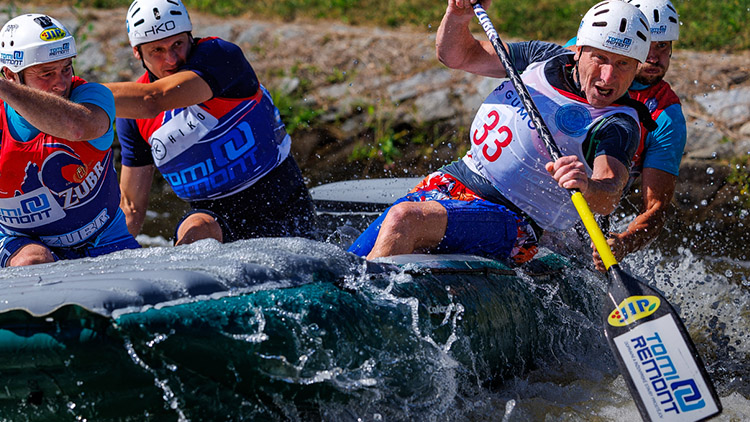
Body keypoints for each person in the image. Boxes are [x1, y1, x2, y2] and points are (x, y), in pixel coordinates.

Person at [348, 0, 657, 264]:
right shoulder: (542, 57)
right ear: (579, 50)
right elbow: (457, 56)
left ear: (636, 68)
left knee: (405, 220)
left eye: (623, 64)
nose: (608, 76)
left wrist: (587, 186)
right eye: (600, 59)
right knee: (349, 262)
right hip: (454, 179)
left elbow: (609, 192)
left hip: (515, 222)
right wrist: (457, 15)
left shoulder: (617, 123)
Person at [105, 0, 317, 245]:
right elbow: (131, 209)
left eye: (177, 44)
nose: (172, 59)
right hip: (214, 217)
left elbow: (155, 99)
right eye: (157, 51)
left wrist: (76, 94)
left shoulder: (220, 56)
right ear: (137, 53)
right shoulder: (133, 118)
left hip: (282, 202)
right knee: (193, 230)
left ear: (190, 37)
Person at [0, 14, 140, 267]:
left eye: (66, 68)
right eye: (46, 73)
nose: (61, 83)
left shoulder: (92, 96)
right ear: (11, 75)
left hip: (102, 237)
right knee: (33, 260)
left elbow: (77, 128)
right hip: (18, 240)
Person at [592, 0, 686, 271]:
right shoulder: (587, 55)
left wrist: (622, 243)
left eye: (663, 46)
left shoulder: (667, 116)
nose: (655, 58)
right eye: (647, 44)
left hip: (593, 207)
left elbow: (655, 210)